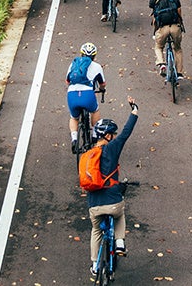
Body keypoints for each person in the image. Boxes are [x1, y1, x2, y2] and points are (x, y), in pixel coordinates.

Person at [79, 100, 138, 277]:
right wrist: (134, 111)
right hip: (113, 200)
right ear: (108, 136)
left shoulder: (87, 155)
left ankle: (95, 265)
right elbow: (126, 133)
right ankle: (119, 242)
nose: (114, 136)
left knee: (96, 230)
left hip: (94, 205)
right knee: (119, 214)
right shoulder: (111, 149)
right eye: (112, 134)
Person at [65, 42, 107, 146]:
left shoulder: (73, 64)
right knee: (95, 110)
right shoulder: (97, 67)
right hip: (88, 95)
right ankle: (94, 134)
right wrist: (102, 90)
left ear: (81, 54)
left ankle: (74, 140)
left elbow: (67, 81)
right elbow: (102, 84)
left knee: (74, 118)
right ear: (94, 55)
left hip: (72, 94)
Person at [148, 0, 186, 80]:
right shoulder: (175, 1)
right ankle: (179, 73)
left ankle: (161, 63)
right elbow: (179, 16)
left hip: (162, 29)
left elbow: (150, 5)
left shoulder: (156, 1)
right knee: (177, 49)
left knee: (158, 47)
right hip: (174, 28)